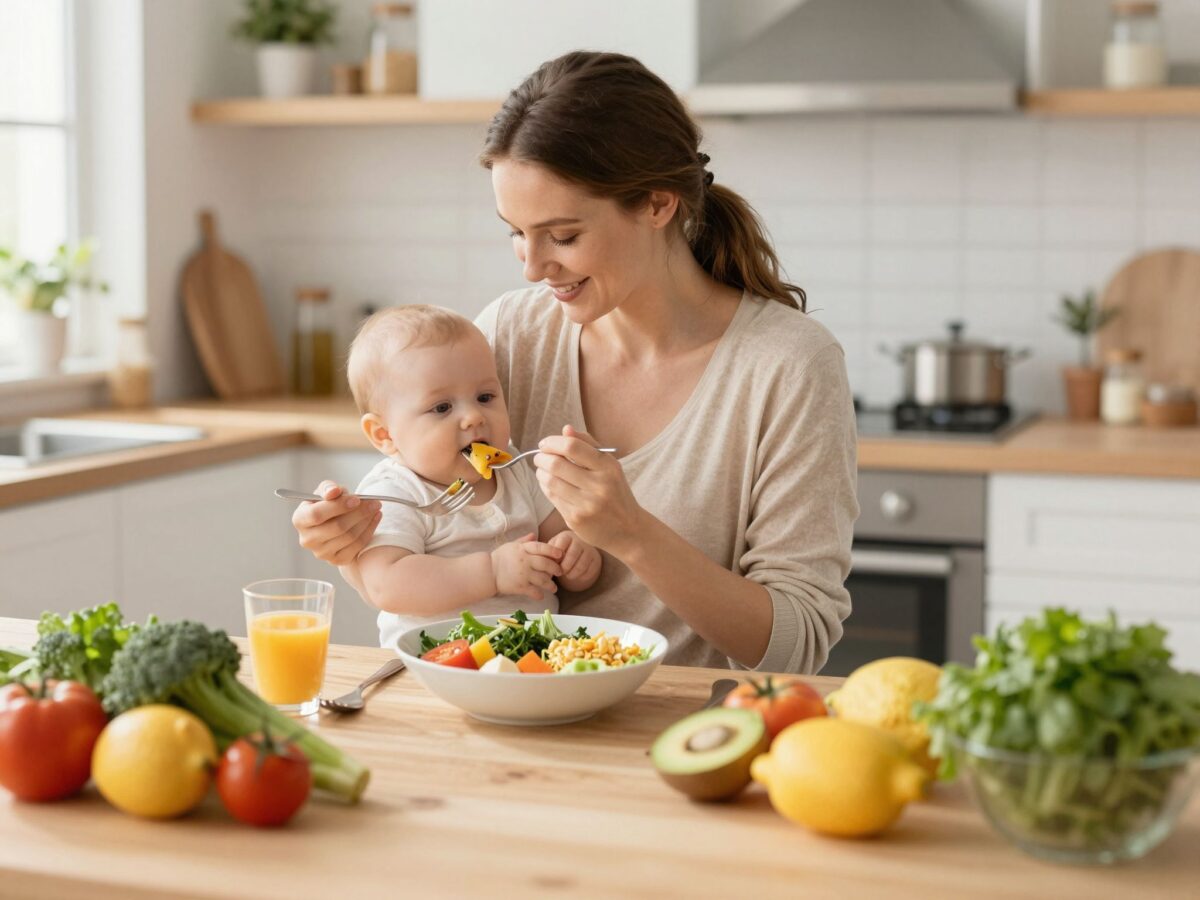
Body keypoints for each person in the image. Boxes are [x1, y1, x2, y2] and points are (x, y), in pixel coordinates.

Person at [294, 51, 858, 673]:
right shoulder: (511, 334)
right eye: (515, 232)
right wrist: (349, 541)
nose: (534, 267)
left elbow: (797, 645)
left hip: (679, 739)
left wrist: (631, 534)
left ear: (656, 204)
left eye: (562, 237)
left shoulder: (789, 367)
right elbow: (424, 533)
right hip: (510, 719)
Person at [345, 304, 601, 649]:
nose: (473, 418)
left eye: (485, 397)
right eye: (442, 408)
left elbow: (561, 539)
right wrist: (492, 572)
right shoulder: (394, 491)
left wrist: (575, 556)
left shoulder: (514, 469)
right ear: (383, 435)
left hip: (528, 658)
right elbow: (386, 584)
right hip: (433, 663)